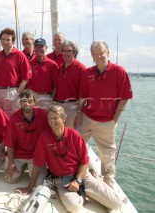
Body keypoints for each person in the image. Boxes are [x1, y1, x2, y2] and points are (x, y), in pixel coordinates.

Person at [17, 104, 123, 212]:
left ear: (64, 118)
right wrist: (30, 187)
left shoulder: (75, 135)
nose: (52, 121)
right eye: (49, 118)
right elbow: (38, 164)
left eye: (55, 118)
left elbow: (84, 162)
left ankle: (88, 185)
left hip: (81, 175)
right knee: (74, 208)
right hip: (62, 179)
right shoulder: (44, 137)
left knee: (116, 204)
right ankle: (82, 195)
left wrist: (77, 181)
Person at [74, 41, 133, 188]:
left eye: (101, 53)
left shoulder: (119, 71)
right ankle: (76, 172)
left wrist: (115, 119)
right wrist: (79, 114)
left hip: (107, 121)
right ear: (92, 56)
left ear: (108, 53)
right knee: (76, 145)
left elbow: (124, 98)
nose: (99, 56)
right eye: (95, 54)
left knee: (107, 154)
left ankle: (108, 182)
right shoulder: (88, 73)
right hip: (87, 118)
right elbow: (83, 96)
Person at [4, 90, 48, 184]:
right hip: (18, 154)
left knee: (38, 183)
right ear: (20, 102)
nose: (26, 104)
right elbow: (10, 143)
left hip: (36, 155)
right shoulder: (14, 118)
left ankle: (29, 167)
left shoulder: (44, 115)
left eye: (30, 101)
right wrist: (11, 163)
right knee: (9, 179)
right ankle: (22, 166)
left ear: (34, 102)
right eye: (24, 101)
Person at [0, 28, 32, 117]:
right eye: (3, 39)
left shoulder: (20, 55)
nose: (5, 42)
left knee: (13, 119)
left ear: (13, 41)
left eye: (8, 40)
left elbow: (26, 78)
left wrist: (17, 93)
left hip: (12, 92)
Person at [55, 40, 86, 128]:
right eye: (64, 50)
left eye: (69, 51)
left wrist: (79, 112)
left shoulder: (81, 68)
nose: (66, 53)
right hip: (59, 105)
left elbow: (83, 93)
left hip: (73, 106)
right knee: (59, 130)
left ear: (74, 52)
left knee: (70, 132)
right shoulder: (60, 67)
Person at [27, 38, 58, 110]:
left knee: (46, 120)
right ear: (34, 48)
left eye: (41, 46)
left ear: (46, 48)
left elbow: (55, 86)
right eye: (36, 46)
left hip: (46, 97)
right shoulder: (29, 63)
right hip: (32, 97)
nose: (39, 49)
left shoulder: (52, 65)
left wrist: (51, 99)